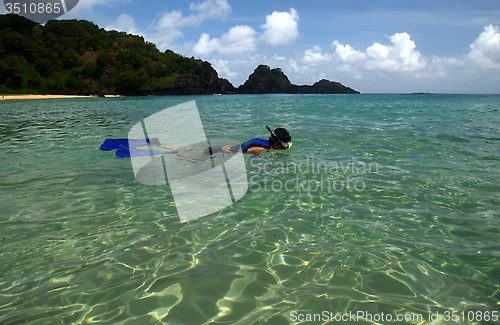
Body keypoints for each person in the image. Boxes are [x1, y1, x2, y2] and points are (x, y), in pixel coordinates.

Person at [159, 126, 292, 158]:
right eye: (286, 146)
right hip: (216, 151)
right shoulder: (264, 149)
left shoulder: (264, 143)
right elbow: (252, 156)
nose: (286, 148)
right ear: (276, 143)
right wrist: (273, 155)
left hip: (220, 148)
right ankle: (174, 153)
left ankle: (164, 146)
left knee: (191, 149)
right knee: (189, 159)